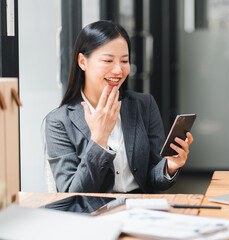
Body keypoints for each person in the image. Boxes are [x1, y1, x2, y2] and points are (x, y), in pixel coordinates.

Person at [45, 20, 193, 193]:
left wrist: (170, 166)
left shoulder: (144, 105)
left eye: (124, 61)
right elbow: (73, 195)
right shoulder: (59, 122)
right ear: (82, 62)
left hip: (141, 212)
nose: (118, 70)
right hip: (93, 216)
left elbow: (152, 181)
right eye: (108, 60)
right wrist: (99, 139)